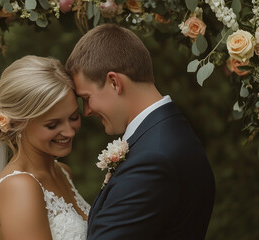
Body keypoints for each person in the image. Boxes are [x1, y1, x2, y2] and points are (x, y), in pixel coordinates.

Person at [65, 24, 215, 240]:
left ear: (114, 82)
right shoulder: (169, 134)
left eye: (87, 98)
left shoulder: (153, 160)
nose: (86, 111)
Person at [0, 55, 90, 240]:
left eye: (74, 117)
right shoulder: (19, 187)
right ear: (19, 123)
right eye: (52, 125)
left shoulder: (63, 172)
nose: (69, 132)